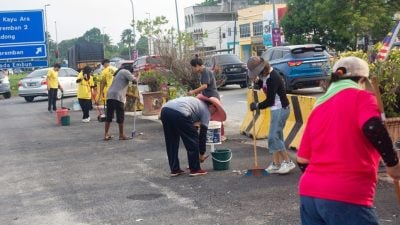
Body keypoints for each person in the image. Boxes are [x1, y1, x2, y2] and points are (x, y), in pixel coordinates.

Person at [297, 56, 400, 225]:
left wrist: (323, 183)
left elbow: (302, 160)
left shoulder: (318, 107)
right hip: (347, 194)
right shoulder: (361, 97)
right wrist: (393, 164)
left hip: (310, 195)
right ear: (361, 80)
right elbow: (373, 127)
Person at [247, 56, 296, 174]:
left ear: (263, 69)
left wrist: (257, 106)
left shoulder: (273, 78)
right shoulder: (266, 77)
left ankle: (288, 162)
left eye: (257, 73)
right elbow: (264, 85)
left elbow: (270, 101)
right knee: (276, 136)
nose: (257, 75)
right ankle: (276, 163)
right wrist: (257, 81)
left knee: (274, 137)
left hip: (280, 109)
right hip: (276, 109)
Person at [160, 95, 226, 177]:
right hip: (180, 113)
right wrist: (201, 154)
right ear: (212, 106)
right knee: (193, 140)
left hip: (165, 110)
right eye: (215, 110)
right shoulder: (206, 111)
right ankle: (195, 169)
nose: (214, 113)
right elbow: (202, 134)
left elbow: (191, 125)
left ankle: (174, 169)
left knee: (171, 141)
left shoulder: (197, 104)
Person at [101, 64, 137, 141]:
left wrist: (133, 96)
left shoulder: (119, 74)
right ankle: (121, 135)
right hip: (117, 97)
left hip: (110, 95)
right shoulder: (125, 71)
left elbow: (120, 90)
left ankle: (106, 134)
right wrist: (137, 76)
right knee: (120, 116)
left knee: (109, 116)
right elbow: (135, 80)